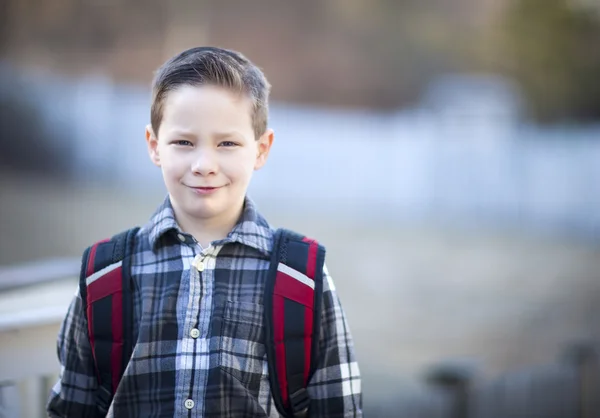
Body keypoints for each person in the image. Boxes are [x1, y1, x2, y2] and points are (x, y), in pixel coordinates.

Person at [46, 46, 362, 417]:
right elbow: (72, 406)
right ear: (154, 145)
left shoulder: (301, 276)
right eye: (184, 142)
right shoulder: (106, 273)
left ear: (261, 150)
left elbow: (339, 408)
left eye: (227, 143)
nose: (204, 164)